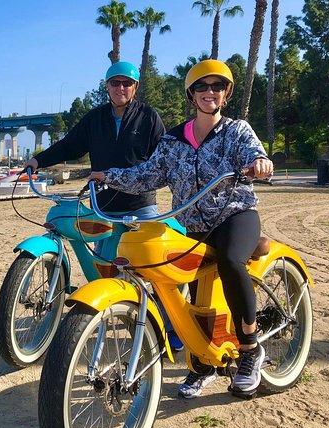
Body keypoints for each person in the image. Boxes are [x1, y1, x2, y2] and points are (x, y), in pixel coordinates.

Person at [89, 59, 274, 398]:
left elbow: (255, 154)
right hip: (191, 225)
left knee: (231, 261)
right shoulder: (173, 140)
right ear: (191, 94)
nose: (210, 92)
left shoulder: (237, 131)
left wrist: (259, 164)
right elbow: (146, 174)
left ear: (226, 93)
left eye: (217, 86)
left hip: (235, 216)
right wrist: (108, 175)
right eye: (202, 87)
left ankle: (250, 348)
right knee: (170, 280)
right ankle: (201, 363)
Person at [24, 61, 165, 228]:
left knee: (145, 253)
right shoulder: (94, 119)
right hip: (102, 206)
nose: (120, 88)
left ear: (135, 86)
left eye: (126, 83)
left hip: (140, 206)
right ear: (107, 86)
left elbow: (163, 157)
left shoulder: (148, 117)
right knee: (103, 255)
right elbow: (69, 146)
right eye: (115, 83)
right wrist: (38, 161)